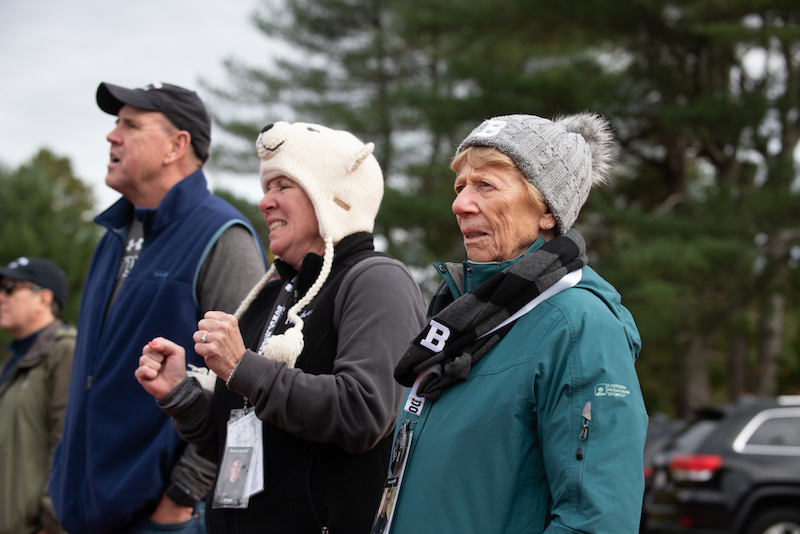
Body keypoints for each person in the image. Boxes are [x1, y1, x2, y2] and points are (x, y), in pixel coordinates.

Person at [135, 121, 426, 533]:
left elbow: (364, 413)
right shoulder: (274, 292)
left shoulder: (376, 279)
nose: (264, 202)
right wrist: (181, 395)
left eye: (283, 186)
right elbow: (237, 440)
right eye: (267, 187)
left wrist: (242, 367)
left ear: (333, 198)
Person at [386, 113, 649, 533]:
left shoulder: (579, 326)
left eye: (485, 185)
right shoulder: (460, 322)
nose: (460, 204)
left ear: (547, 210)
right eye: (460, 187)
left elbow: (597, 522)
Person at [49, 82, 267, 534]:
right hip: (84, 509)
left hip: (164, 518)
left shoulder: (224, 237)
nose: (112, 135)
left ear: (176, 145)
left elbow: (246, 393)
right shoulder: (112, 235)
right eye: (114, 124)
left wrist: (181, 498)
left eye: (130, 125)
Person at [0, 257, 74, 534]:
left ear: (43, 299)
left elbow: (67, 448)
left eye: (10, 288)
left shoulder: (64, 352)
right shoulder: (13, 360)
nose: (1, 296)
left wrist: (52, 524)